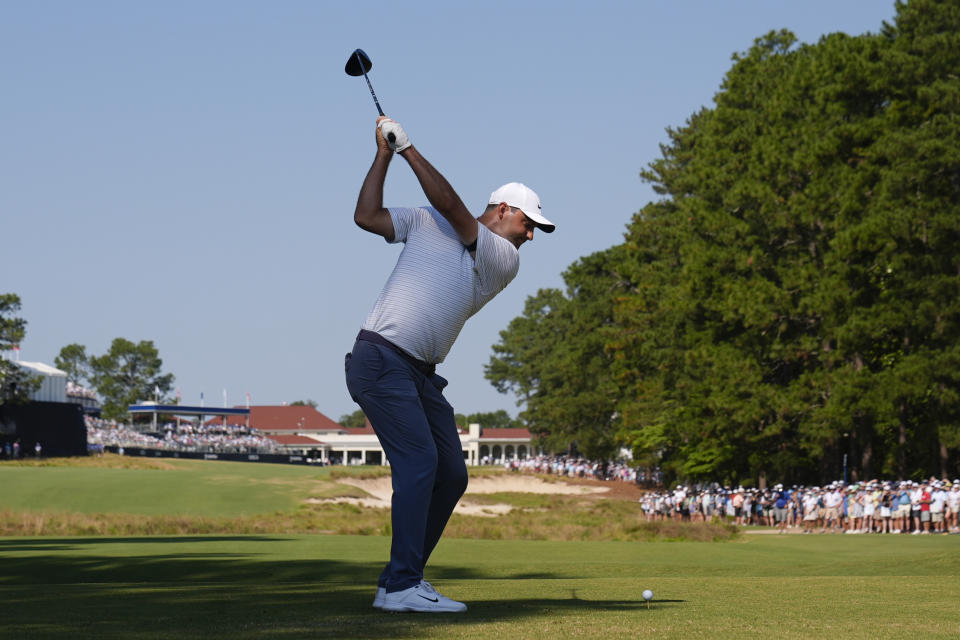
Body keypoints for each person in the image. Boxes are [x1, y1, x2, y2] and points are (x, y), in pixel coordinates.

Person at [345, 116, 555, 613]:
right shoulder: (424, 221)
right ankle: (400, 587)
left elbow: (455, 210)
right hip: (380, 357)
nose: (531, 236)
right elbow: (366, 216)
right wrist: (384, 154)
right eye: (529, 224)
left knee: (452, 474)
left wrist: (409, 150)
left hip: (418, 373)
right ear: (504, 210)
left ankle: (401, 580)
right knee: (420, 465)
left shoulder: (503, 258)